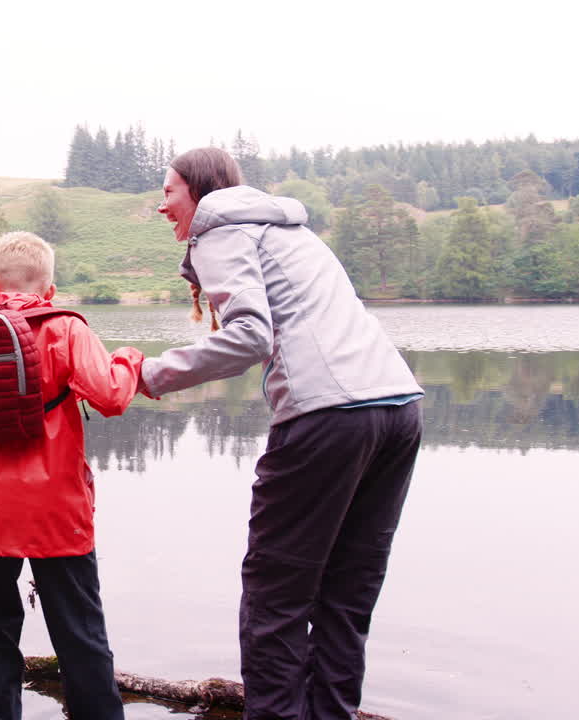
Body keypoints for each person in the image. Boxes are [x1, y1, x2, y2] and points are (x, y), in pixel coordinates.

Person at [140, 147, 424, 720]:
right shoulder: (287, 231)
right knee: (347, 592)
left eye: (168, 193)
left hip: (328, 417)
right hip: (397, 408)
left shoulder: (220, 231)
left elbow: (249, 337)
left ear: (197, 191)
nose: (162, 206)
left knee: (277, 593)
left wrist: (149, 374)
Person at [0, 231, 141, 720]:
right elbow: (111, 396)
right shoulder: (66, 327)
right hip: (56, 508)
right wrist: (128, 358)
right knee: (79, 632)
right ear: (51, 290)